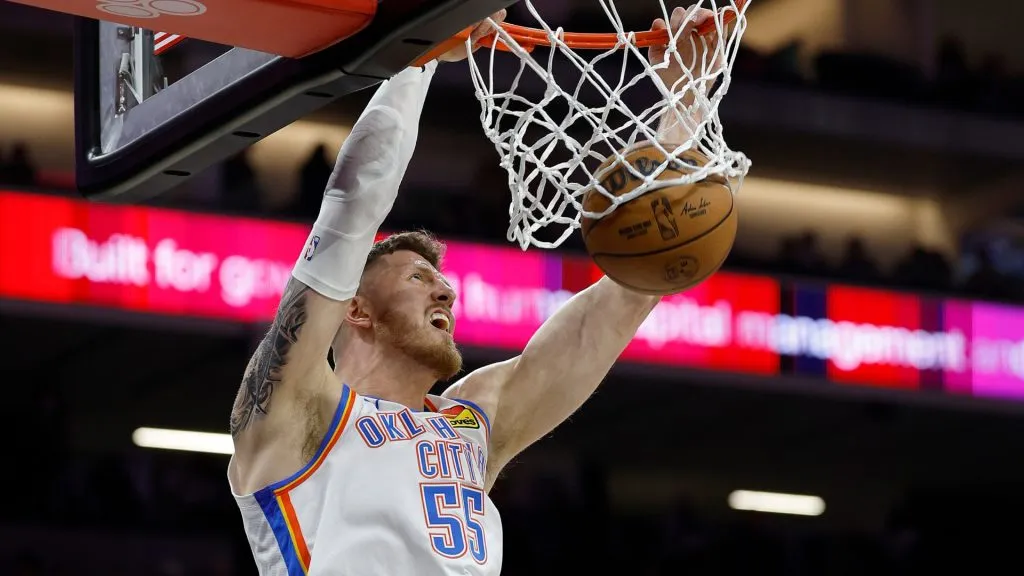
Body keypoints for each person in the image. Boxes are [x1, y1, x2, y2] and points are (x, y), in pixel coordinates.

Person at [228, 6, 722, 575]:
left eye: (442, 283)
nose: (446, 295)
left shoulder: (471, 422)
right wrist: (422, 49)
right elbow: (350, 206)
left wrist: (686, 101)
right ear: (355, 309)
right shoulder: (297, 411)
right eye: (419, 278)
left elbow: (623, 299)